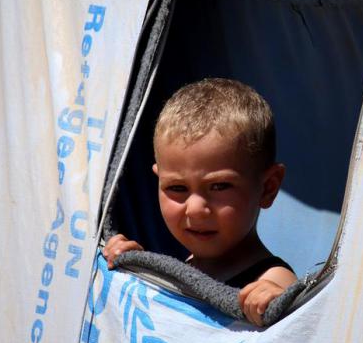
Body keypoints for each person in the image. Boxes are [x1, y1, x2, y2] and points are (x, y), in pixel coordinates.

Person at [102, 78, 296, 326]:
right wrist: (136, 271)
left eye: (219, 186)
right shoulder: (185, 268)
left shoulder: (272, 280)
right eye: (177, 188)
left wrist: (277, 304)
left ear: (268, 188)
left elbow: (296, 334)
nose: (195, 209)